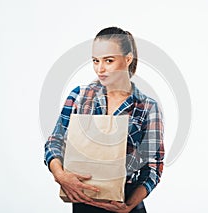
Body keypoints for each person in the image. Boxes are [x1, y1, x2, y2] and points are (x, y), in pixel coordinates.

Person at [44, 27, 165, 213]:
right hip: (82, 201)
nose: (100, 69)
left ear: (128, 59)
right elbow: (55, 141)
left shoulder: (147, 107)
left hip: (126, 203)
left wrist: (129, 205)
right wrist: (60, 175)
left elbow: (154, 166)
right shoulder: (79, 96)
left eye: (109, 60)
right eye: (95, 61)